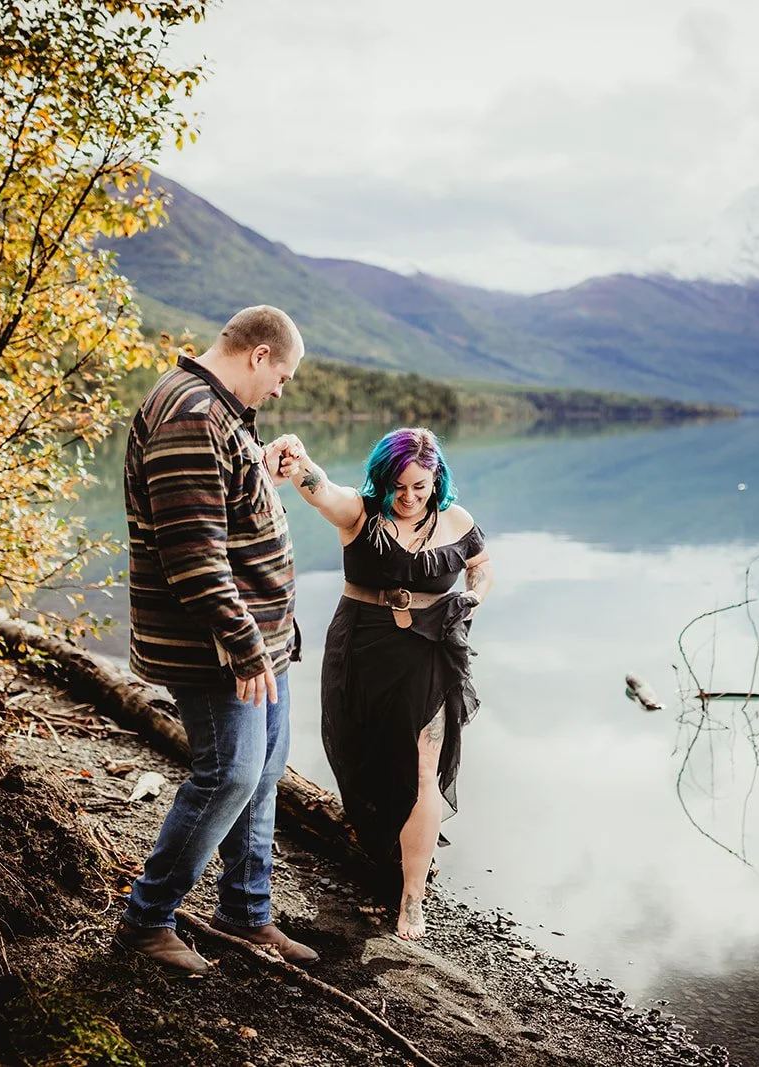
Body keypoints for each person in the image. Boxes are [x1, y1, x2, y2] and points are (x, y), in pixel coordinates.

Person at [114, 305, 319, 974]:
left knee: (261, 776)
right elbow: (192, 554)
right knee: (229, 773)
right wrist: (246, 643)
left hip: (259, 643)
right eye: (282, 376)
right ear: (259, 355)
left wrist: (259, 461)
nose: (281, 390)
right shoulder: (191, 414)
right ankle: (146, 920)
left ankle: (245, 913)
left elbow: (217, 500)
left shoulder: (217, 417)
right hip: (217, 649)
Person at [277, 427, 492, 940]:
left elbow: (481, 567)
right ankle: (386, 857)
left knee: (423, 765)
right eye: (400, 486)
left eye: (421, 486)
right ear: (382, 478)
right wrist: (299, 459)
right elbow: (320, 488)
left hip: (430, 652)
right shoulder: (360, 512)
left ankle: (412, 900)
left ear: (436, 479)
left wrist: (474, 599)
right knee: (362, 759)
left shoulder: (456, 521)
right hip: (361, 649)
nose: (410, 497)